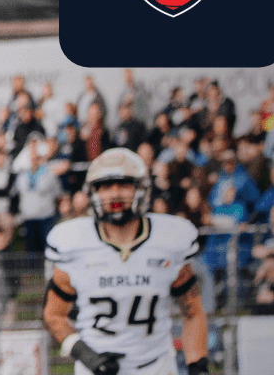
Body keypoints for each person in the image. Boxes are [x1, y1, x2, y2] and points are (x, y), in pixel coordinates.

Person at [43, 149, 208, 375]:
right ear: (93, 192)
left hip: (156, 367)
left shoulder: (169, 241)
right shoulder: (74, 243)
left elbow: (193, 313)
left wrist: (198, 368)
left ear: (142, 189)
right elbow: (53, 315)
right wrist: (87, 356)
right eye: (105, 186)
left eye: (124, 184)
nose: (115, 194)